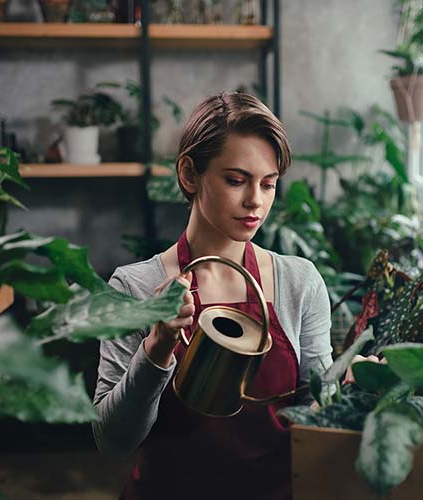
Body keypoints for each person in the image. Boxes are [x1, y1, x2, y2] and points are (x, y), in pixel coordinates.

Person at [93, 92, 333, 500]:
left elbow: (318, 410)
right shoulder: (134, 288)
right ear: (189, 174)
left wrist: (347, 388)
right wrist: (156, 349)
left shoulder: (299, 282)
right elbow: (112, 441)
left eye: (268, 184)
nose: (255, 200)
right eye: (236, 180)